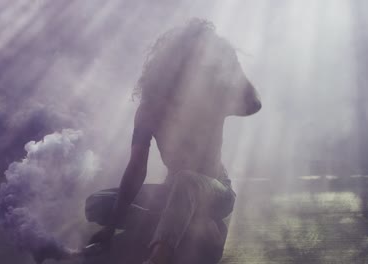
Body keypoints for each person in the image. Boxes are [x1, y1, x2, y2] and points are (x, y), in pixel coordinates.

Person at [85, 19, 261, 264]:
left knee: (186, 179)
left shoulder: (211, 98)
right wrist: (111, 227)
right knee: (97, 203)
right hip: (172, 194)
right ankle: (191, 227)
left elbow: (253, 104)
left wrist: (232, 63)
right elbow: (136, 168)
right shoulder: (149, 110)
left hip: (214, 190)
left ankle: (160, 256)